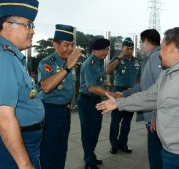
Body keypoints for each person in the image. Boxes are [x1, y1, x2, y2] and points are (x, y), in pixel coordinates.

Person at [96, 27, 179, 169]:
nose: (159, 53)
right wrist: (119, 103)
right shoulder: (168, 74)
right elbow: (148, 96)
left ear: (172, 47)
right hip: (169, 151)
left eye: (162, 47)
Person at [0, 0, 45, 169]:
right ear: (7, 27)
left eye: (33, 26)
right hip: (7, 148)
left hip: (15, 143)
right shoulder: (2, 59)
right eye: (28, 25)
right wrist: (24, 164)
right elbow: (4, 118)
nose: (32, 31)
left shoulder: (9, 55)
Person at [38, 24, 81, 169]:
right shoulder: (47, 63)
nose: (70, 48)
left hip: (65, 111)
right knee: (49, 150)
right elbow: (46, 87)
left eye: (72, 45)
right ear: (55, 45)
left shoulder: (71, 62)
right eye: (66, 45)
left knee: (62, 149)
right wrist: (67, 67)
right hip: (50, 111)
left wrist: (69, 65)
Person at [122, 29, 163, 168]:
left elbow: (162, 89)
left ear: (147, 41)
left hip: (155, 119)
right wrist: (124, 94)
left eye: (140, 42)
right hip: (153, 117)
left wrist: (157, 115)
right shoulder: (150, 58)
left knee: (156, 156)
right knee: (155, 155)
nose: (140, 45)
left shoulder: (156, 57)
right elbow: (144, 86)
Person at [77, 38, 119, 169]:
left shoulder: (100, 62)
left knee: (95, 130)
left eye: (107, 49)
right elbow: (91, 88)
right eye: (103, 50)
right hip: (86, 101)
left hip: (96, 101)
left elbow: (97, 81)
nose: (106, 52)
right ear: (94, 50)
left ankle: (91, 155)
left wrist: (104, 83)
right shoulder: (89, 64)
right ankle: (89, 161)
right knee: (88, 132)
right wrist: (111, 95)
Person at [107, 37, 141, 154]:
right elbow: (108, 70)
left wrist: (136, 89)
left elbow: (139, 78)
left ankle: (123, 143)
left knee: (127, 120)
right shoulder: (117, 59)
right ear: (123, 48)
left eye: (131, 48)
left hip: (131, 92)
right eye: (127, 48)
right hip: (118, 92)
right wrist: (121, 55)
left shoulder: (137, 61)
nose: (129, 50)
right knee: (116, 120)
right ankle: (114, 144)